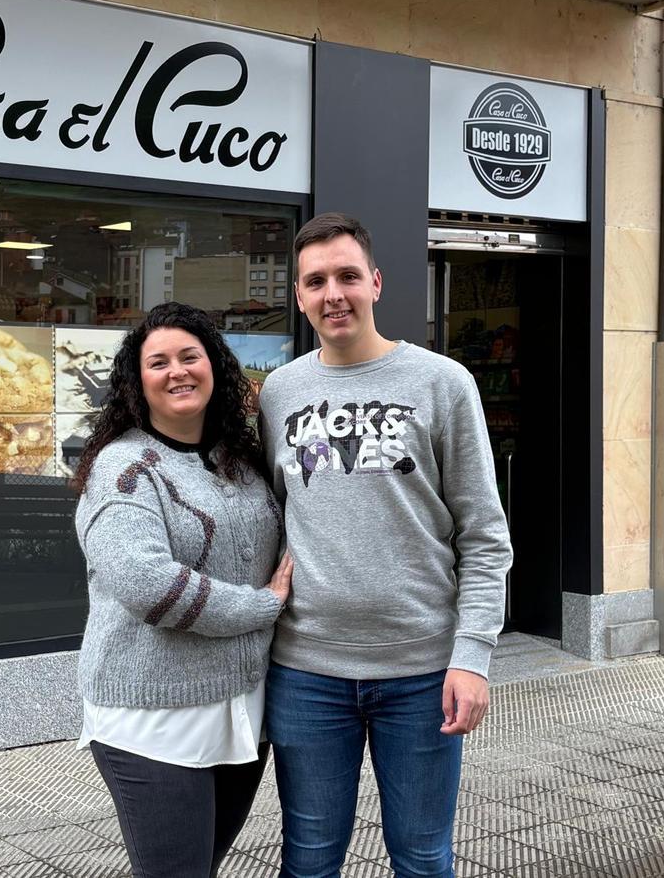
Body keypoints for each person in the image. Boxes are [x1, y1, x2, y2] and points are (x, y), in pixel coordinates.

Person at [259, 213, 513, 878]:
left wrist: (473, 656)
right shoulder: (281, 392)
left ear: (375, 282)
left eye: (347, 275)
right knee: (309, 860)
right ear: (299, 294)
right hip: (307, 672)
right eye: (316, 280)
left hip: (423, 674)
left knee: (423, 858)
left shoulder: (442, 383)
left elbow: (484, 534)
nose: (333, 292)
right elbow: (268, 516)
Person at [73, 302, 293, 878]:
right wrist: (264, 606)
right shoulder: (123, 470)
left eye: (190, 356)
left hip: (239, 711)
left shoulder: (238, 462)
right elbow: (146, 584)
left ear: (214, 367)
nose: (178, 371)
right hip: (153, 718)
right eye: (159, 362)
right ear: (135, 382)